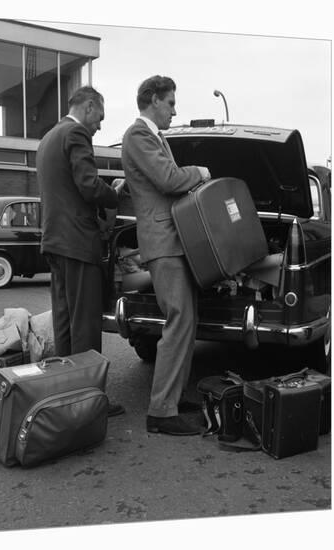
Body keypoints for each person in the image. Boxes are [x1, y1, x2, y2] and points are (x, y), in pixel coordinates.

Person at [121, 75, 211, 435]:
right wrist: (201, 172)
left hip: (173, 240)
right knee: (178, 319)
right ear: (154, 100)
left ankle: (172, 398)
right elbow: (169, 180)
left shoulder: (152, 137)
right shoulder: (138, 135)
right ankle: (161, 411)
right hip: (163, 242)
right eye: (171, 103)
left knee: (187, 320)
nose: (175, 110)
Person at [37, 85, 124, 417]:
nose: (100, 125)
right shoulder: (75, 133)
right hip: (77, 242)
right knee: (85, 324)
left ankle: (67, 395)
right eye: (100, 117)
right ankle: (90, 401)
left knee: (64, 322)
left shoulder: (48, 138)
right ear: (89, 107)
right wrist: (115, 193)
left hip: (54, 242)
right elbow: (88, 185)